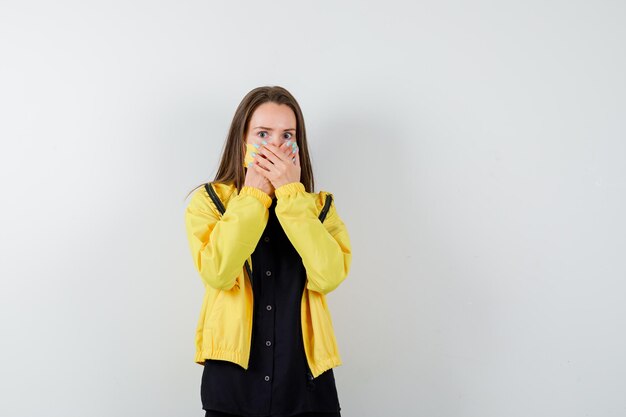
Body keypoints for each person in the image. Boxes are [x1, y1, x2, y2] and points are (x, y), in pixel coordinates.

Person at [183, 86, 352, 417]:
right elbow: (217, 271)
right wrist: (253, 196)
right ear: (242, 139)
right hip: (233, 386)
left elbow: (329, 276)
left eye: (287, 135)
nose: (275, 146)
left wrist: (291, 195)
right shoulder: (210, 203)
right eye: (263, 133)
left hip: (307, 388)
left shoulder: (319, 208)